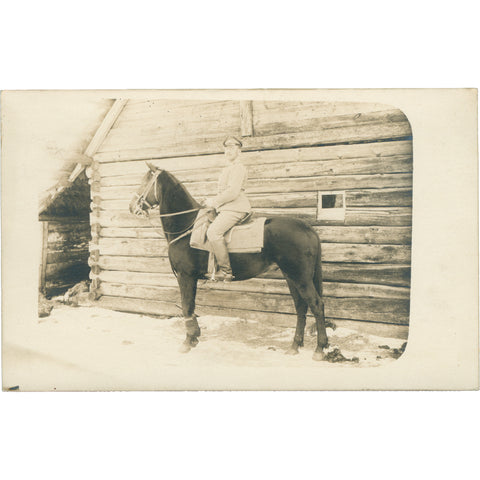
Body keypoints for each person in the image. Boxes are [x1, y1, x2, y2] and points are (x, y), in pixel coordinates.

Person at [202, 136, 251, 282]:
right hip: (226, 208)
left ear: (239, 150)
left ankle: (226, 271)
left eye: (232, 147)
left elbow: (232, 192)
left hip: (236, 208)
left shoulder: (238, 168)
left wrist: (214, 201)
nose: (228, 150)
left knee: (213, 232)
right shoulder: (228, 169)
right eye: (226, 147)